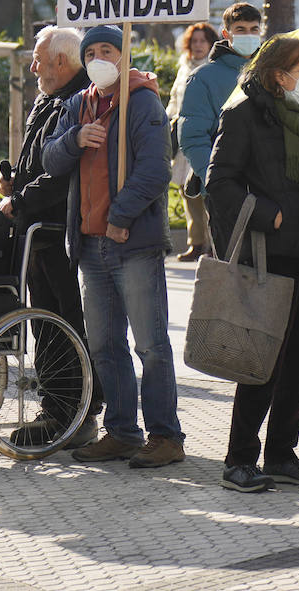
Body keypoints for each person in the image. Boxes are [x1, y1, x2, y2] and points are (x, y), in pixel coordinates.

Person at [42, 24, 184, 469]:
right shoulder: (77, 106)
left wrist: (121, 217)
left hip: (131, 244)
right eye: (93, 51)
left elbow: (155, 171)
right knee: (104, 345)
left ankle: (165, 435)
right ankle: (121, 432)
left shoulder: (142, 101)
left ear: (124, 55)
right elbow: (49, 159)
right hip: (90, 246)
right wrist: (74, 140)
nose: (100, 57)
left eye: (109, 49)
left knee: (151, 345)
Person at [207, 36, 299, 492]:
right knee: (261, 358)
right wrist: (268, 212)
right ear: (278, 74)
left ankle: (281, 452)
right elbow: (218, 183)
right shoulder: (242, 113)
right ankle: (239, 458)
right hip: (269, 254)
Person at [0, 25, 100, 448]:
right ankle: (57, 407)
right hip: (38, 232)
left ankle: (76, 411)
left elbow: (60, 176)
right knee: (47, 323)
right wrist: (15, 183)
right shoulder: (49, 98)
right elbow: (38, 162)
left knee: (65, 323)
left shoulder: (77, 102)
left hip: (60, 230)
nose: (33, 66)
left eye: (39, 59)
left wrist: (20, 202)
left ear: (61, 61)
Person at [178, 2, 263, 198]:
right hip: (225, 192)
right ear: (226, 34)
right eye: (240, 30)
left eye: (254, 29)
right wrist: (218, 184)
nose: (248, 35)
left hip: (266, 189)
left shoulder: (270, 74)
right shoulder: (202, 78)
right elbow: (193, 137)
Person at [168, 22, 218, 261]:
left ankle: (212, 243)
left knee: (208, 193)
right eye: (195, 41)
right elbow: (174, 101)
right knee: (188, 194)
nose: (198, 45)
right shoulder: (183, 67)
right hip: (182, 139)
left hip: (205, 138)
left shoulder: (213, 69)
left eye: (202, 41)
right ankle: (196, 242)